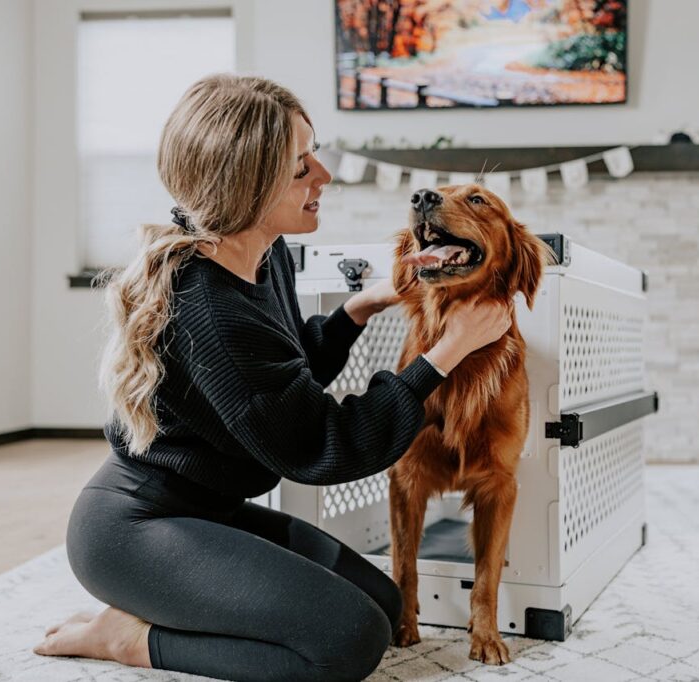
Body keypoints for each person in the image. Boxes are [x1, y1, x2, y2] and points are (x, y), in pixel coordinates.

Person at [33, 74, 513, 681]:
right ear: (248, 184)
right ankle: (128, 638)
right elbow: (321, 445)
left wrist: (359, 307)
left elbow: (283, 383)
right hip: (135, 530)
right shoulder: (209, 307)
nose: (323, 175)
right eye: (299, 166)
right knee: (349, 642)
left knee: (385, 608)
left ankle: (185, 604)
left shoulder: (264, 254)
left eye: (313, 153)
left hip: (213, 512)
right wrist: (446, 352)